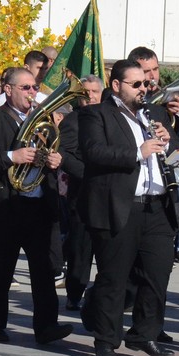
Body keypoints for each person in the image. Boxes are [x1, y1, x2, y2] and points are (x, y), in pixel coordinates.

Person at [78, 59, 178, 356]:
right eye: (136, 84)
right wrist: (138, 152)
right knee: (114, 276)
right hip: (120, 206)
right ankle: (106, 339)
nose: (142, 90)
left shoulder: (153, 115)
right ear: (116, 85)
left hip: (156, 205)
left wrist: (168, 142)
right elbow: (93, 152)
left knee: (157, 274)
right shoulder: (97, 114)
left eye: (145, 84)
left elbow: (174, 154)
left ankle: (144, 334)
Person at [0, 67, 73, 345]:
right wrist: (11, 156)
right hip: (4, 205)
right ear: (8, 89)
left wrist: (54, 160)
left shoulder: (45, 119)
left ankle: (46, 326)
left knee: (44, 270)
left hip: (38, 203)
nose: (32, 93)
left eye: (34, 88)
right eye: (25, 88)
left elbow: (52, 151)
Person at [61, 74, 104, 311]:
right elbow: (65, 155)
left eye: (94, 92)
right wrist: (88, 174)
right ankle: (74, 293)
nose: (89, 97)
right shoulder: (71, 121)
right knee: (80, 248)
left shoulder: (111, 116)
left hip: (110, 194)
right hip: (83, 193)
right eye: (84, 92)